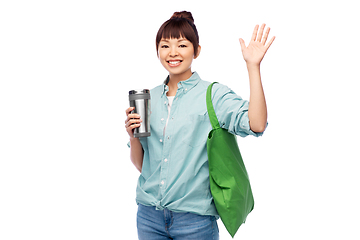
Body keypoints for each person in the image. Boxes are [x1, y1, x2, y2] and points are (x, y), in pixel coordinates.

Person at [125, 11, 275, 240]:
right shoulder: (149, 98)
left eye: (182, 45)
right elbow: (142, 166)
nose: (173, 53)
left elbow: (257, 124)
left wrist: (253, 67)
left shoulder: (212, 94)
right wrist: (133, 135)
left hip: (194, 222)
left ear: (197, 50)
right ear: (157, 51)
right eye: (165, 46)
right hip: (148, 217)